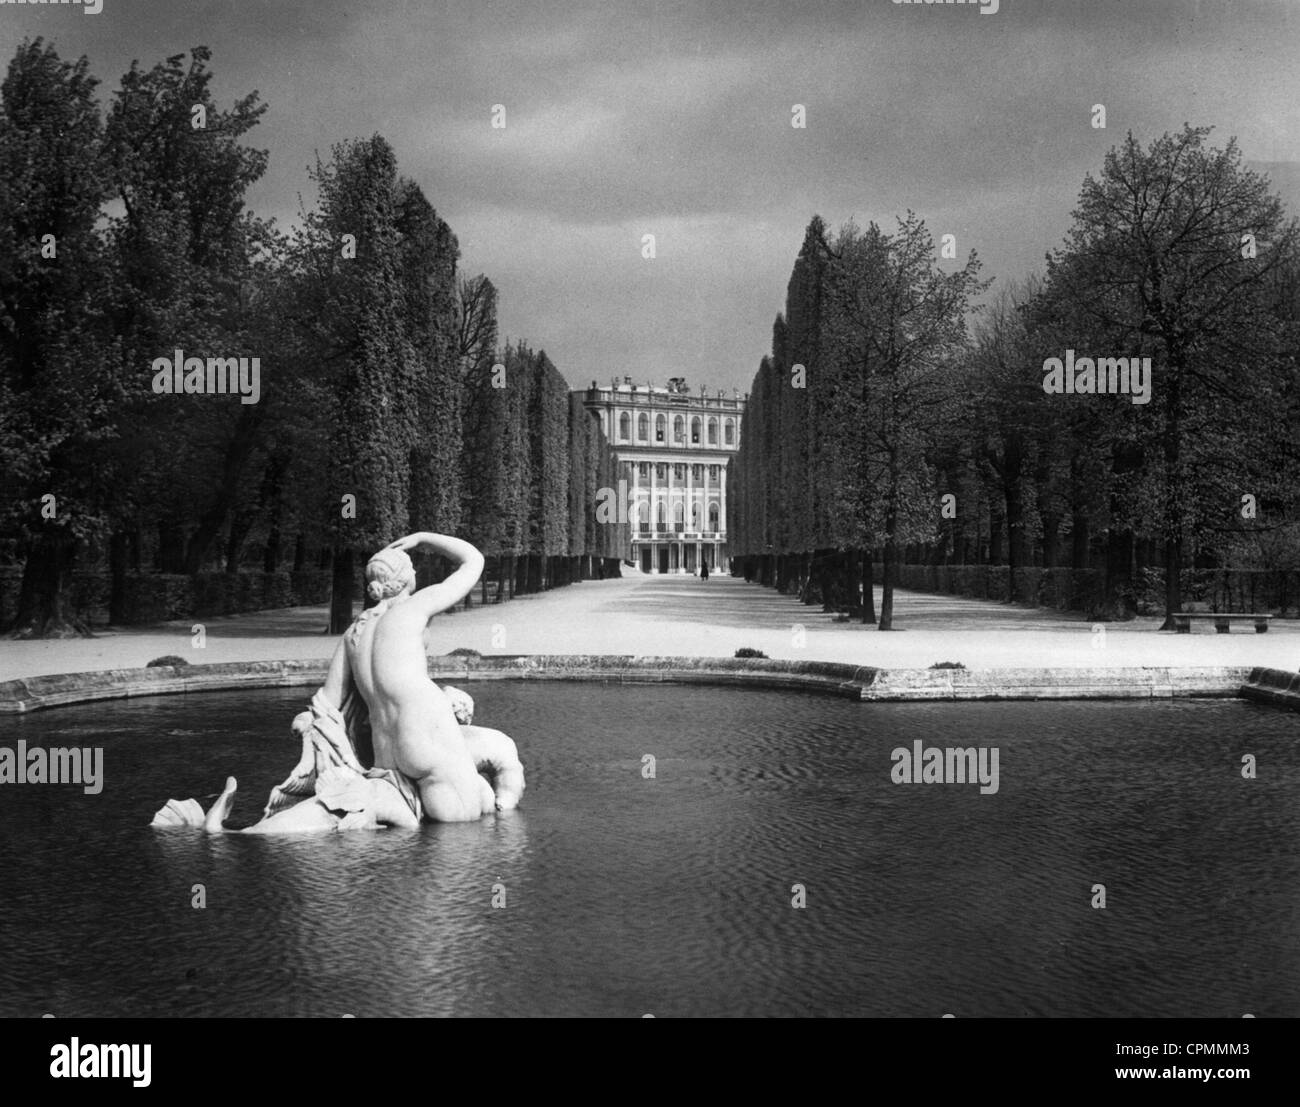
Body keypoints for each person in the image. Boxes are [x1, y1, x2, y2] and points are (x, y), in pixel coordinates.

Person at [154, 533, 525, 832]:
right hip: (427, 731)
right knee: (467, 824)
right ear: (406, 579)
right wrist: (423, 537)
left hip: (387, 750)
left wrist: (307, 725)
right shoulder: (414, 609)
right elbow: (473, 560)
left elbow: (326, 703)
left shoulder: (353, 633)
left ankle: (242, 831)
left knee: (406, 814)